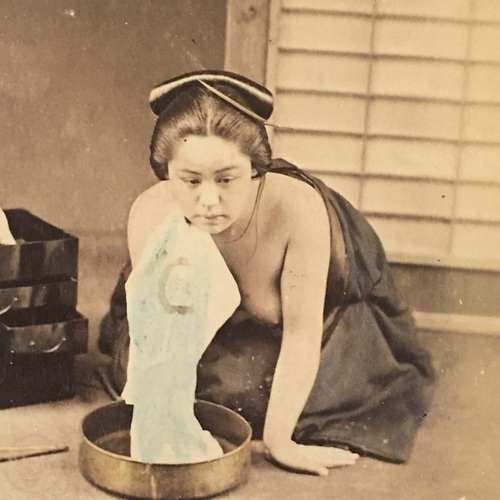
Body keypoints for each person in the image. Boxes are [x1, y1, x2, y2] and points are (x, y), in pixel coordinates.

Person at [99, 70, 435, 475]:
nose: (208, 200)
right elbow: (160, 340)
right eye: (189, 180)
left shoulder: (297, 209)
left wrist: (280, 442)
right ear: (165, 171)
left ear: (256, 168)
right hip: (194, 334)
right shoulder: (151, 212)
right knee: (166, 389)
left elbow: (302, 332)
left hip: (310, 332)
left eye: (227, 179)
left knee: (273, 397)